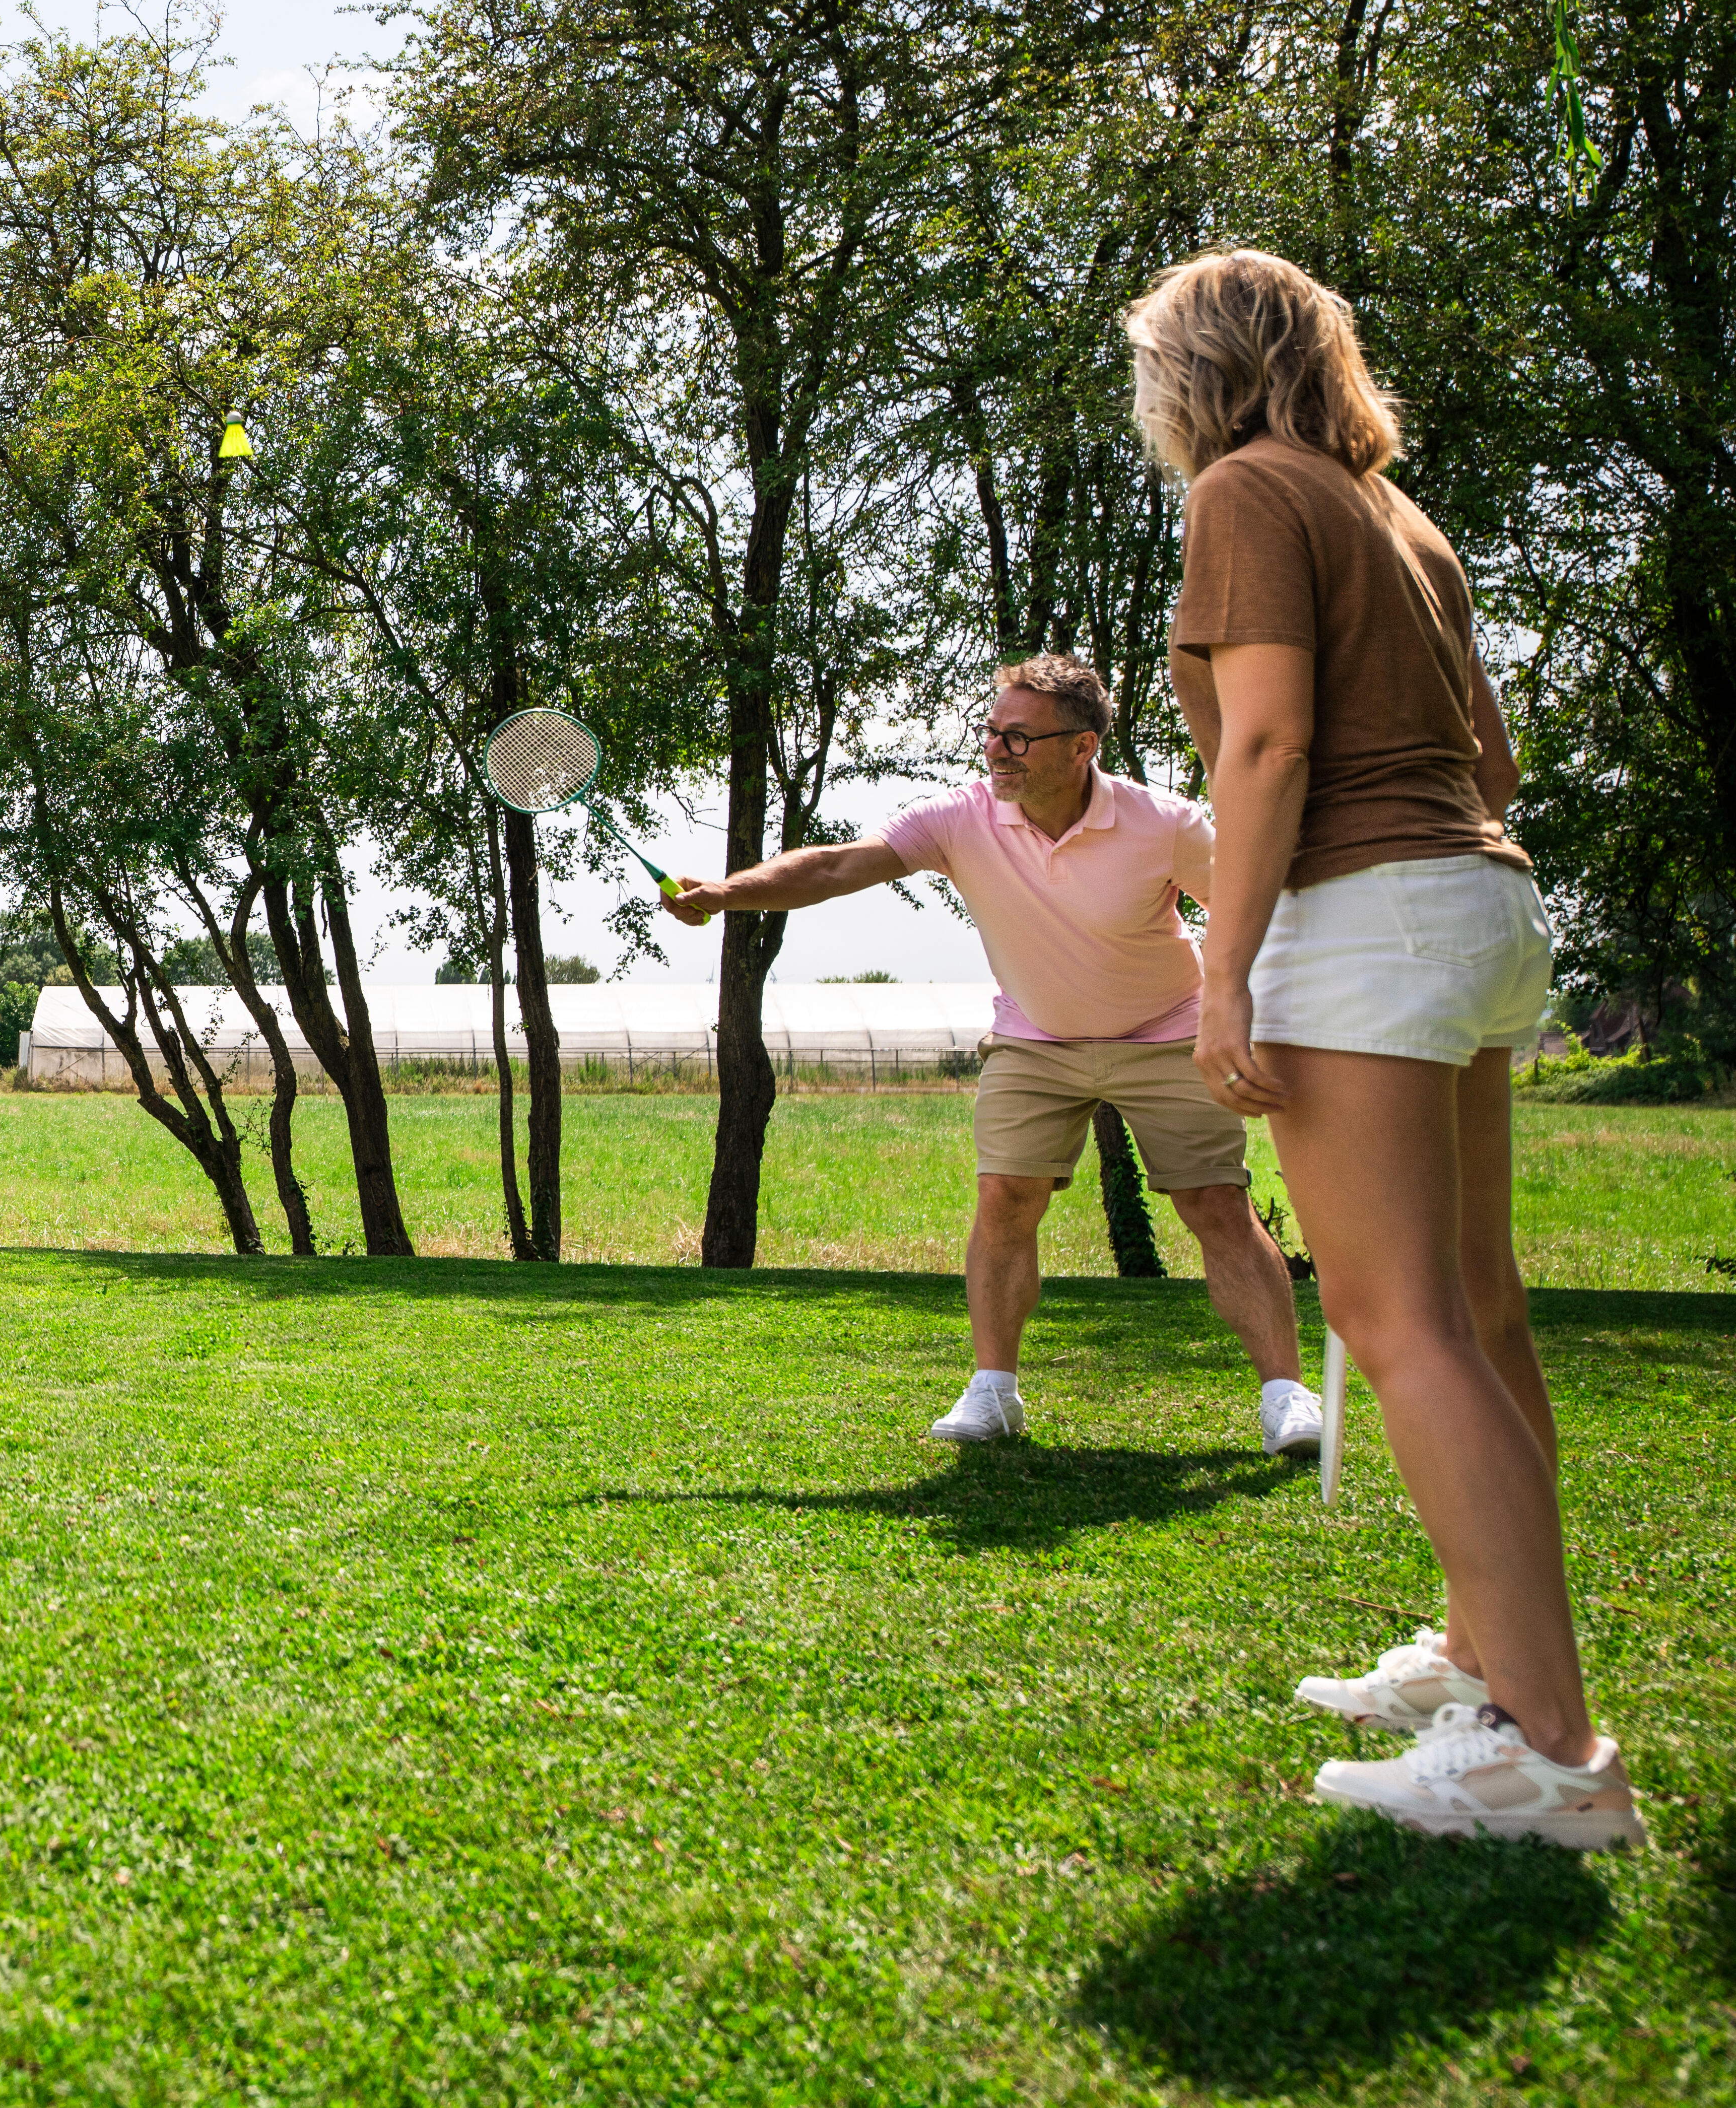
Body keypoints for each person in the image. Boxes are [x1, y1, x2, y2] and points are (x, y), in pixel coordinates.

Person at [1136, 244, 1641, 1850]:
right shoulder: (1394, 515)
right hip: (1472, 898)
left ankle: (1545, 1755)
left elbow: (1268, 739)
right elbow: (1485, 750)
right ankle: (1477, 1658)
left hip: (1361, 916)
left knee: (1395, 1318)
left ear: (1193, 369)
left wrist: (1221, 976)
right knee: (1474, 1314)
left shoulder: (1241, 494)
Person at [664, 656, 1319, 1453]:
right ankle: (994, 1391)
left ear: (1083, 748)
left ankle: (1287, 1396)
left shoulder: (1165, 823)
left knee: (1216, 1205)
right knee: (1006, 1197)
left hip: (1166, 1033)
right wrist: (729, 891)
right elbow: (840, 863)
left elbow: (1253, 909)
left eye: (1019, 736)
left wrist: (1242, 1007)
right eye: (992, 732)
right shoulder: (960, 816)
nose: (998, 750)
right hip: (1035, 1038)